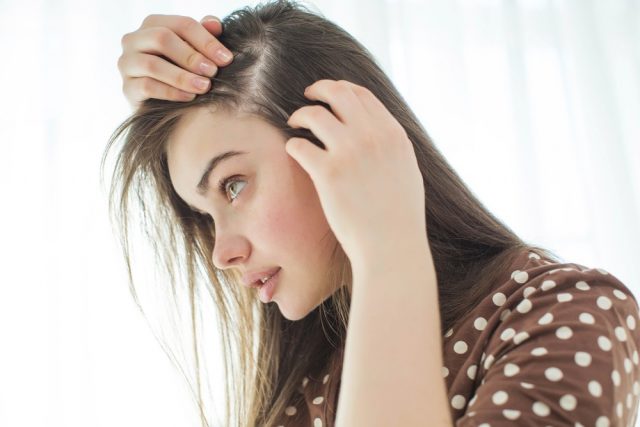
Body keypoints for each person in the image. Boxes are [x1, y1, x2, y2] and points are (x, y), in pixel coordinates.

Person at [105, 1, 640, 426]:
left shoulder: (567, 312)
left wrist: (389, 246)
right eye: (204, 214)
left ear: (343, 136)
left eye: (234, 184)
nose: (222, 253)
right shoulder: (303, 369)